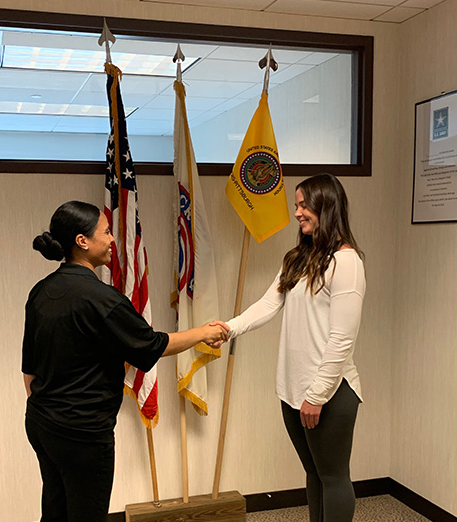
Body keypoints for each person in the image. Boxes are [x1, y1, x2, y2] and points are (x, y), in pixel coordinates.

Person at [22, 200, 228, 522]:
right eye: (106, 232)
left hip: (41, 423)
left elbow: (29, 371)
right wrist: (202, 332)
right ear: (82, 241)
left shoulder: (40, 292)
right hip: (84, 435)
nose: (113, 239)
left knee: (55, 508)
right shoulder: (103, 300)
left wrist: (51, 412)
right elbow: (152, 345)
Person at [223, 173, 365, 522]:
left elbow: (342, 338)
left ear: (326, 206)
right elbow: (268, 305)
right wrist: (229, 328)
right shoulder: (299, 258)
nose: (298, 212)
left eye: (305, 205)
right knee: (314, 473)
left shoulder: (346, 263)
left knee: (333, 477)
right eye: (297, 205)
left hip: (329, 393)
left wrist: (317, 395)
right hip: (292, 390)